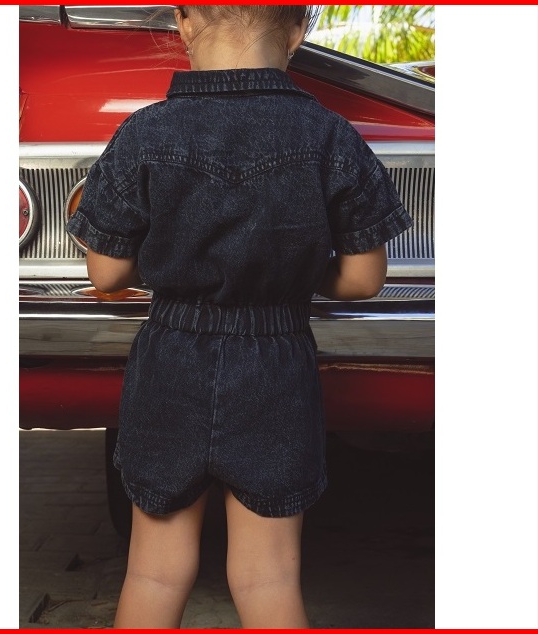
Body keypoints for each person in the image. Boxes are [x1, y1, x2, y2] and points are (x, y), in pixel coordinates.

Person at [67, 5, 412, 629]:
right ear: (298, 30)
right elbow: (364, 278)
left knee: (153, 572)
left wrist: (176, 267)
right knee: (268, 577)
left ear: (183, 23)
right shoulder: (330, 136)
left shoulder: (144, 133)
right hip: (277, 361)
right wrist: (290, 272)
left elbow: (107, 276)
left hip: (170, 358)